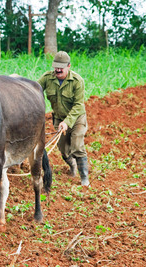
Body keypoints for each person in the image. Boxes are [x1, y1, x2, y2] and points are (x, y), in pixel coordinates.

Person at [38, 51, 89, 186]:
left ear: (69, 66)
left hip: (76, 119)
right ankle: (72, 165)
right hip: (59, 119)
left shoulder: (77, 81)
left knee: (77, 145)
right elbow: (35, 90)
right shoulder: (47, 78)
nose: (58, 69)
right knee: (63, 149)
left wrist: (67, 122)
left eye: (61, 66)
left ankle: (84, 177)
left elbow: (78, 105)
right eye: (56, 66)